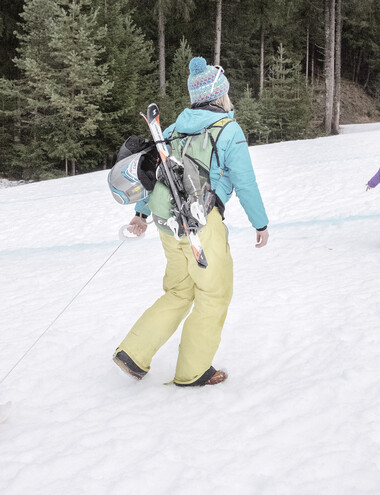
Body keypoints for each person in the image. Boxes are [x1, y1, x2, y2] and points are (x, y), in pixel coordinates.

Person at [113, 57, 269, 387]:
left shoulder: (172, 128)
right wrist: (261, 223)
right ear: (221, 95)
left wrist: (141, 212)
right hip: (201, 222)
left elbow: (159, 174)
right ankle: (193, 371)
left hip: (166, 221)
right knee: (213, 294)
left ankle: (134, 352)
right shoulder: (229, 130)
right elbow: (245, 181)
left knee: (179, 290)